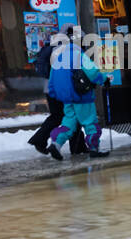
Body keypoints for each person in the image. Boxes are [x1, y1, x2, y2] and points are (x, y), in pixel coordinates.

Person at [44, 27, 111, 160]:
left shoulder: (58, 58)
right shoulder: (79, 55)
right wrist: (104, 80)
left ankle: (56, 144)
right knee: (90, 122)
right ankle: (94, 148)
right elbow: (92, 72)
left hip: (67, 99)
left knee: (68, 124)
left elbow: (51, 81)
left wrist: (56, 95)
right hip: (82, 97)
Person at [27, 31, 87, 157]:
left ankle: (39, 139)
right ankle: (78, 147)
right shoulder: (69, 49)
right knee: (73, 115)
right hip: (63, 89)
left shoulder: (53, 45)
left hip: (50, 89)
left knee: (57, 116)